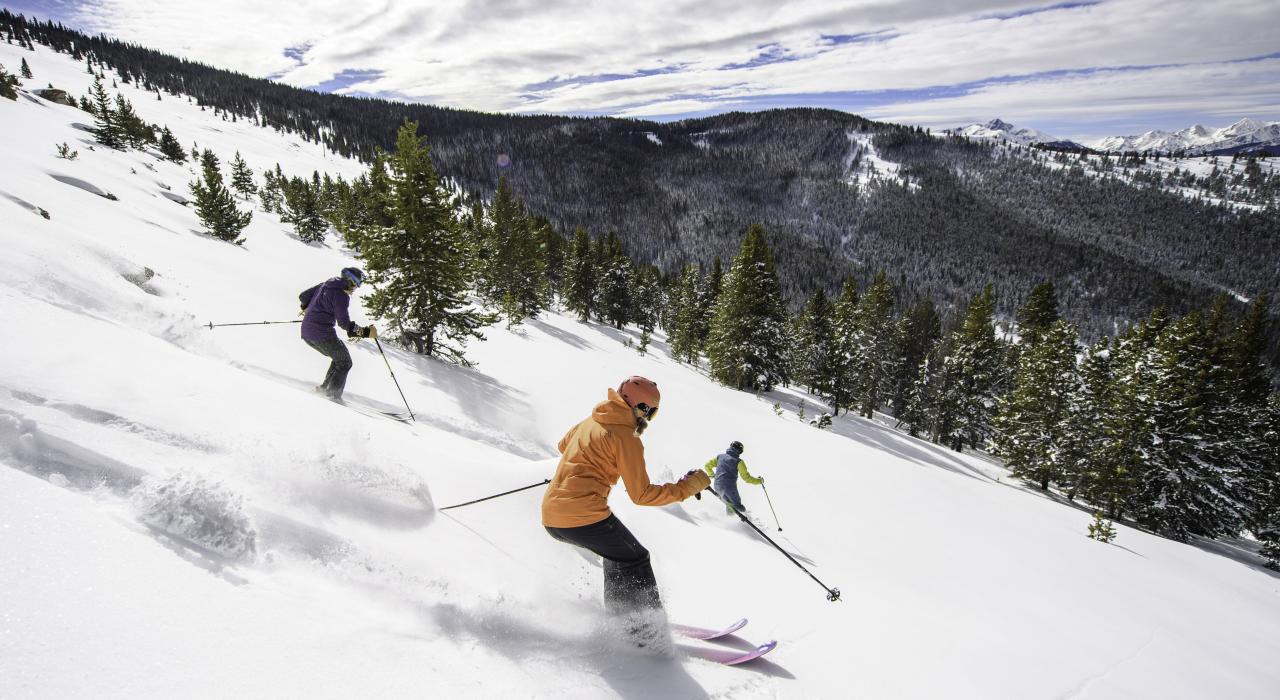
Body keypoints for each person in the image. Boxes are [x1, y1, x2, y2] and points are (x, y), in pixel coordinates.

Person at [542, 376, 710, 651]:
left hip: (553, 515)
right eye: (650, 411)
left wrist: (588, 464)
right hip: (582, 514)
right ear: (639, 406)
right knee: (636, 558)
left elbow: (563, 447)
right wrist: (687, 487)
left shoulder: (593, 419)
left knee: (619, 555)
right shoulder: (625, 436)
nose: (649, 418)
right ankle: (646, 632)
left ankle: (623, 618)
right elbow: (641, 495)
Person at [298, 267, 376, 402]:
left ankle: (324, 389)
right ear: (350, 281)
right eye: (356, 285)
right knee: (345, 362)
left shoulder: (326, 284)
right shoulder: (341, 295)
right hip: (321, 334)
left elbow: (303, 296)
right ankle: (332, 396)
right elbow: (345, 324)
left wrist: (307, 308)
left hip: (307, 331)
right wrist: (367, 332)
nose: (355, 289)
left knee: (339, 358)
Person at [705, 440, 763, 515]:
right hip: (729, 487)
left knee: (729, 505)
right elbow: (747, 478)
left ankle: (731, 522)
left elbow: (707, 465)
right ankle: (745, 519)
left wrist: (712, 475)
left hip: (717, 486)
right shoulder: (738, 461)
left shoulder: (720, 457)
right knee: (737, 505)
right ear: (740, 451)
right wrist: (759, 481)